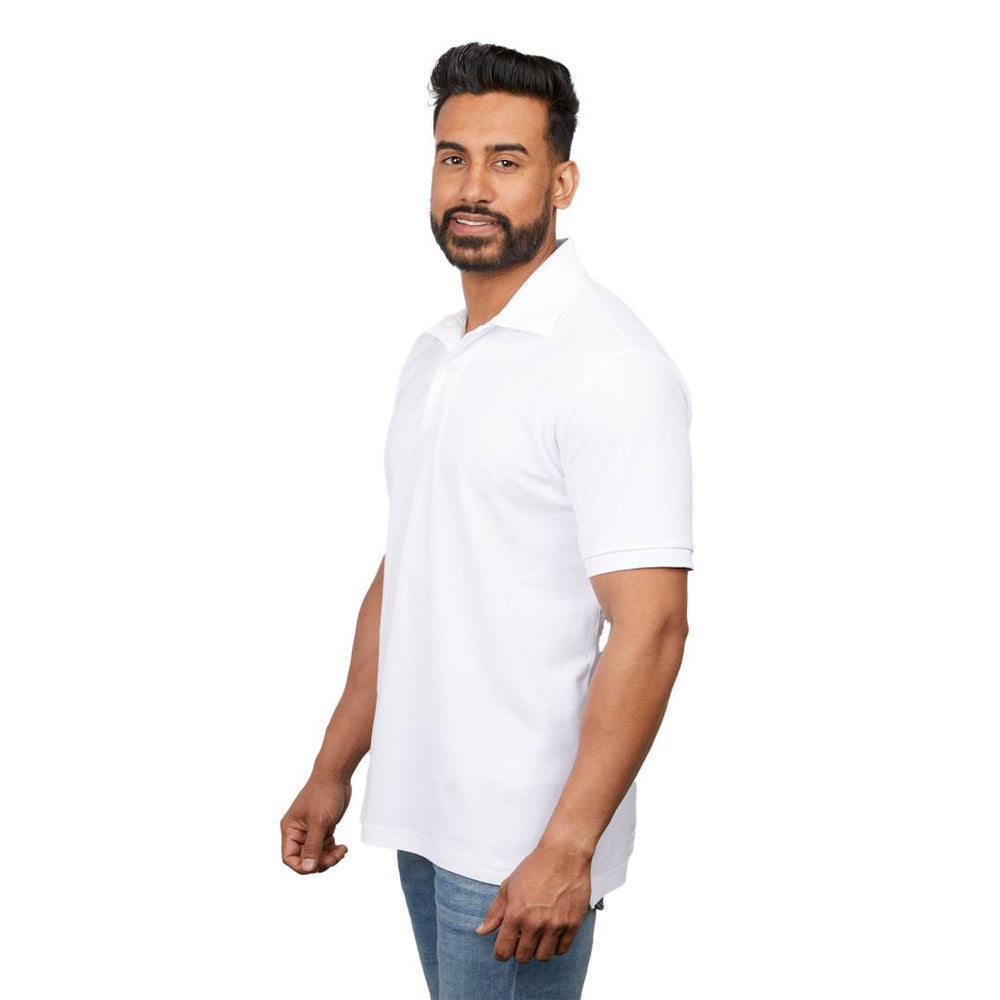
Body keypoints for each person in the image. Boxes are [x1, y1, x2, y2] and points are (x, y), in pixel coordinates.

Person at [280, 41, 694, 999]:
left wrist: (567, 846)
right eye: (452, 157)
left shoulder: (611, 368)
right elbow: (409, 570)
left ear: (562, 181)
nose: (473, 186)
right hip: (422, 812)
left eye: (507, 161)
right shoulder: (437, 354)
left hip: (521, 843)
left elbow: (654, 627)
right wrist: (334, 766)